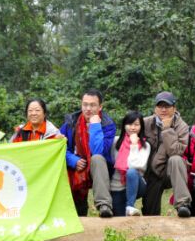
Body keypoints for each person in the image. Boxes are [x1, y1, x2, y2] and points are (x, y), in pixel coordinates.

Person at [59, 89, 118, 217]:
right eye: (85, 104)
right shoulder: (71, 123)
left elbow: (98, 150)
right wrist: (72, 160)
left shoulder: (108, 124)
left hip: (100, 168)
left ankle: (104, 205)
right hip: (77, 167)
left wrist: (95, 125)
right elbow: (59, 146)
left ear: (100, 107)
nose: (88, 108)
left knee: (96, 158)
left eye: (92, 105)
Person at [142, 92, 191, 217]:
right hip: (152, 172)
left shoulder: (182, 126)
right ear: (155, 108)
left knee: (176, 159)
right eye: (160, 106)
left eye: (167, 106)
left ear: (174, 108)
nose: (163, 109)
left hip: (171, 172)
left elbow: (177, 151)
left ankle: (182, 204)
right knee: (150, 214)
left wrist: (167, 129)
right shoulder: (146, 123)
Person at [110, 111, 151, 216]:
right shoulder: (115, 142)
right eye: (130, 124)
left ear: (141, 126)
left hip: (137, 185)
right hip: (117, 186)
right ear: (124, 126)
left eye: (136, 124)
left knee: (132, 171)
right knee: (119, 218)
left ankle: (130, 206)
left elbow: (135, 165)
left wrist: (134, 145)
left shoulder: (145, 145)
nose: (133, 128)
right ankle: (126, 208)